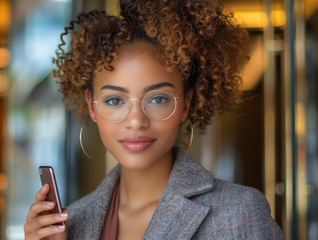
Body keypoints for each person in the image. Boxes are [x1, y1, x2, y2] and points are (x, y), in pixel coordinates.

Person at [24, 0, 284, 239]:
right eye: (115, 100)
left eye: (158, 99)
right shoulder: (73, 221)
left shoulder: (239, 212)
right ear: (92, 107)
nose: (136, 121)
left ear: (186, 103)